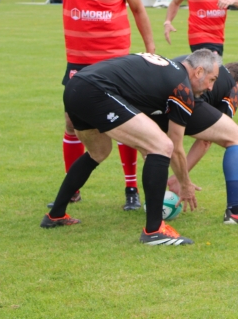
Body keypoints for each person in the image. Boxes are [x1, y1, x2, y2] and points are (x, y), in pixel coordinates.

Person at [12, 0, 155, 211]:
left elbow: (139, 10)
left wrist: (150, 50)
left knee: (127, 124)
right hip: (79, 65)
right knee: (71, 123)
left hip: (117, 64)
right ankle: (72, 188)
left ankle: (131, 189)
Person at [41, 50, 223, 246]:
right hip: (96, 91)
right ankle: (154, 231)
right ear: (198, 72)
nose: (211, 87)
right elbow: (176, 148)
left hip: (76, 86)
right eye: (211, 79)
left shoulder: (166, 67)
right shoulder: (182, 87)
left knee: (99, 152)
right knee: (163, 145)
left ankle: (55, 215)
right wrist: (185, 184)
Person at [170, 56, 238, 224]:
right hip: (185, 101)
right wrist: (181, 177)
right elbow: (206, 140)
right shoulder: (232, 88)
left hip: (157, 98)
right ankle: (235, 209)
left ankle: (136, 196)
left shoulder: (208, 68)